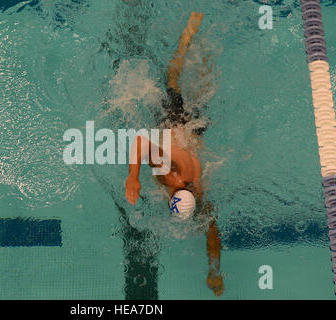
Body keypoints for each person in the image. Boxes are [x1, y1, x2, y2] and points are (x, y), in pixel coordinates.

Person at [124, 12, 224, 297]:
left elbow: (213, 234)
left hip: (196, 130)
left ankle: (202, 50)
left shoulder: (198, 190)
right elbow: (142, 140)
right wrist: (133, 177)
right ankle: (188, 36)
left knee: (203, 87)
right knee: (173, 75)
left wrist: (215, 271)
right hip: (175, 120)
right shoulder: (170, 175)